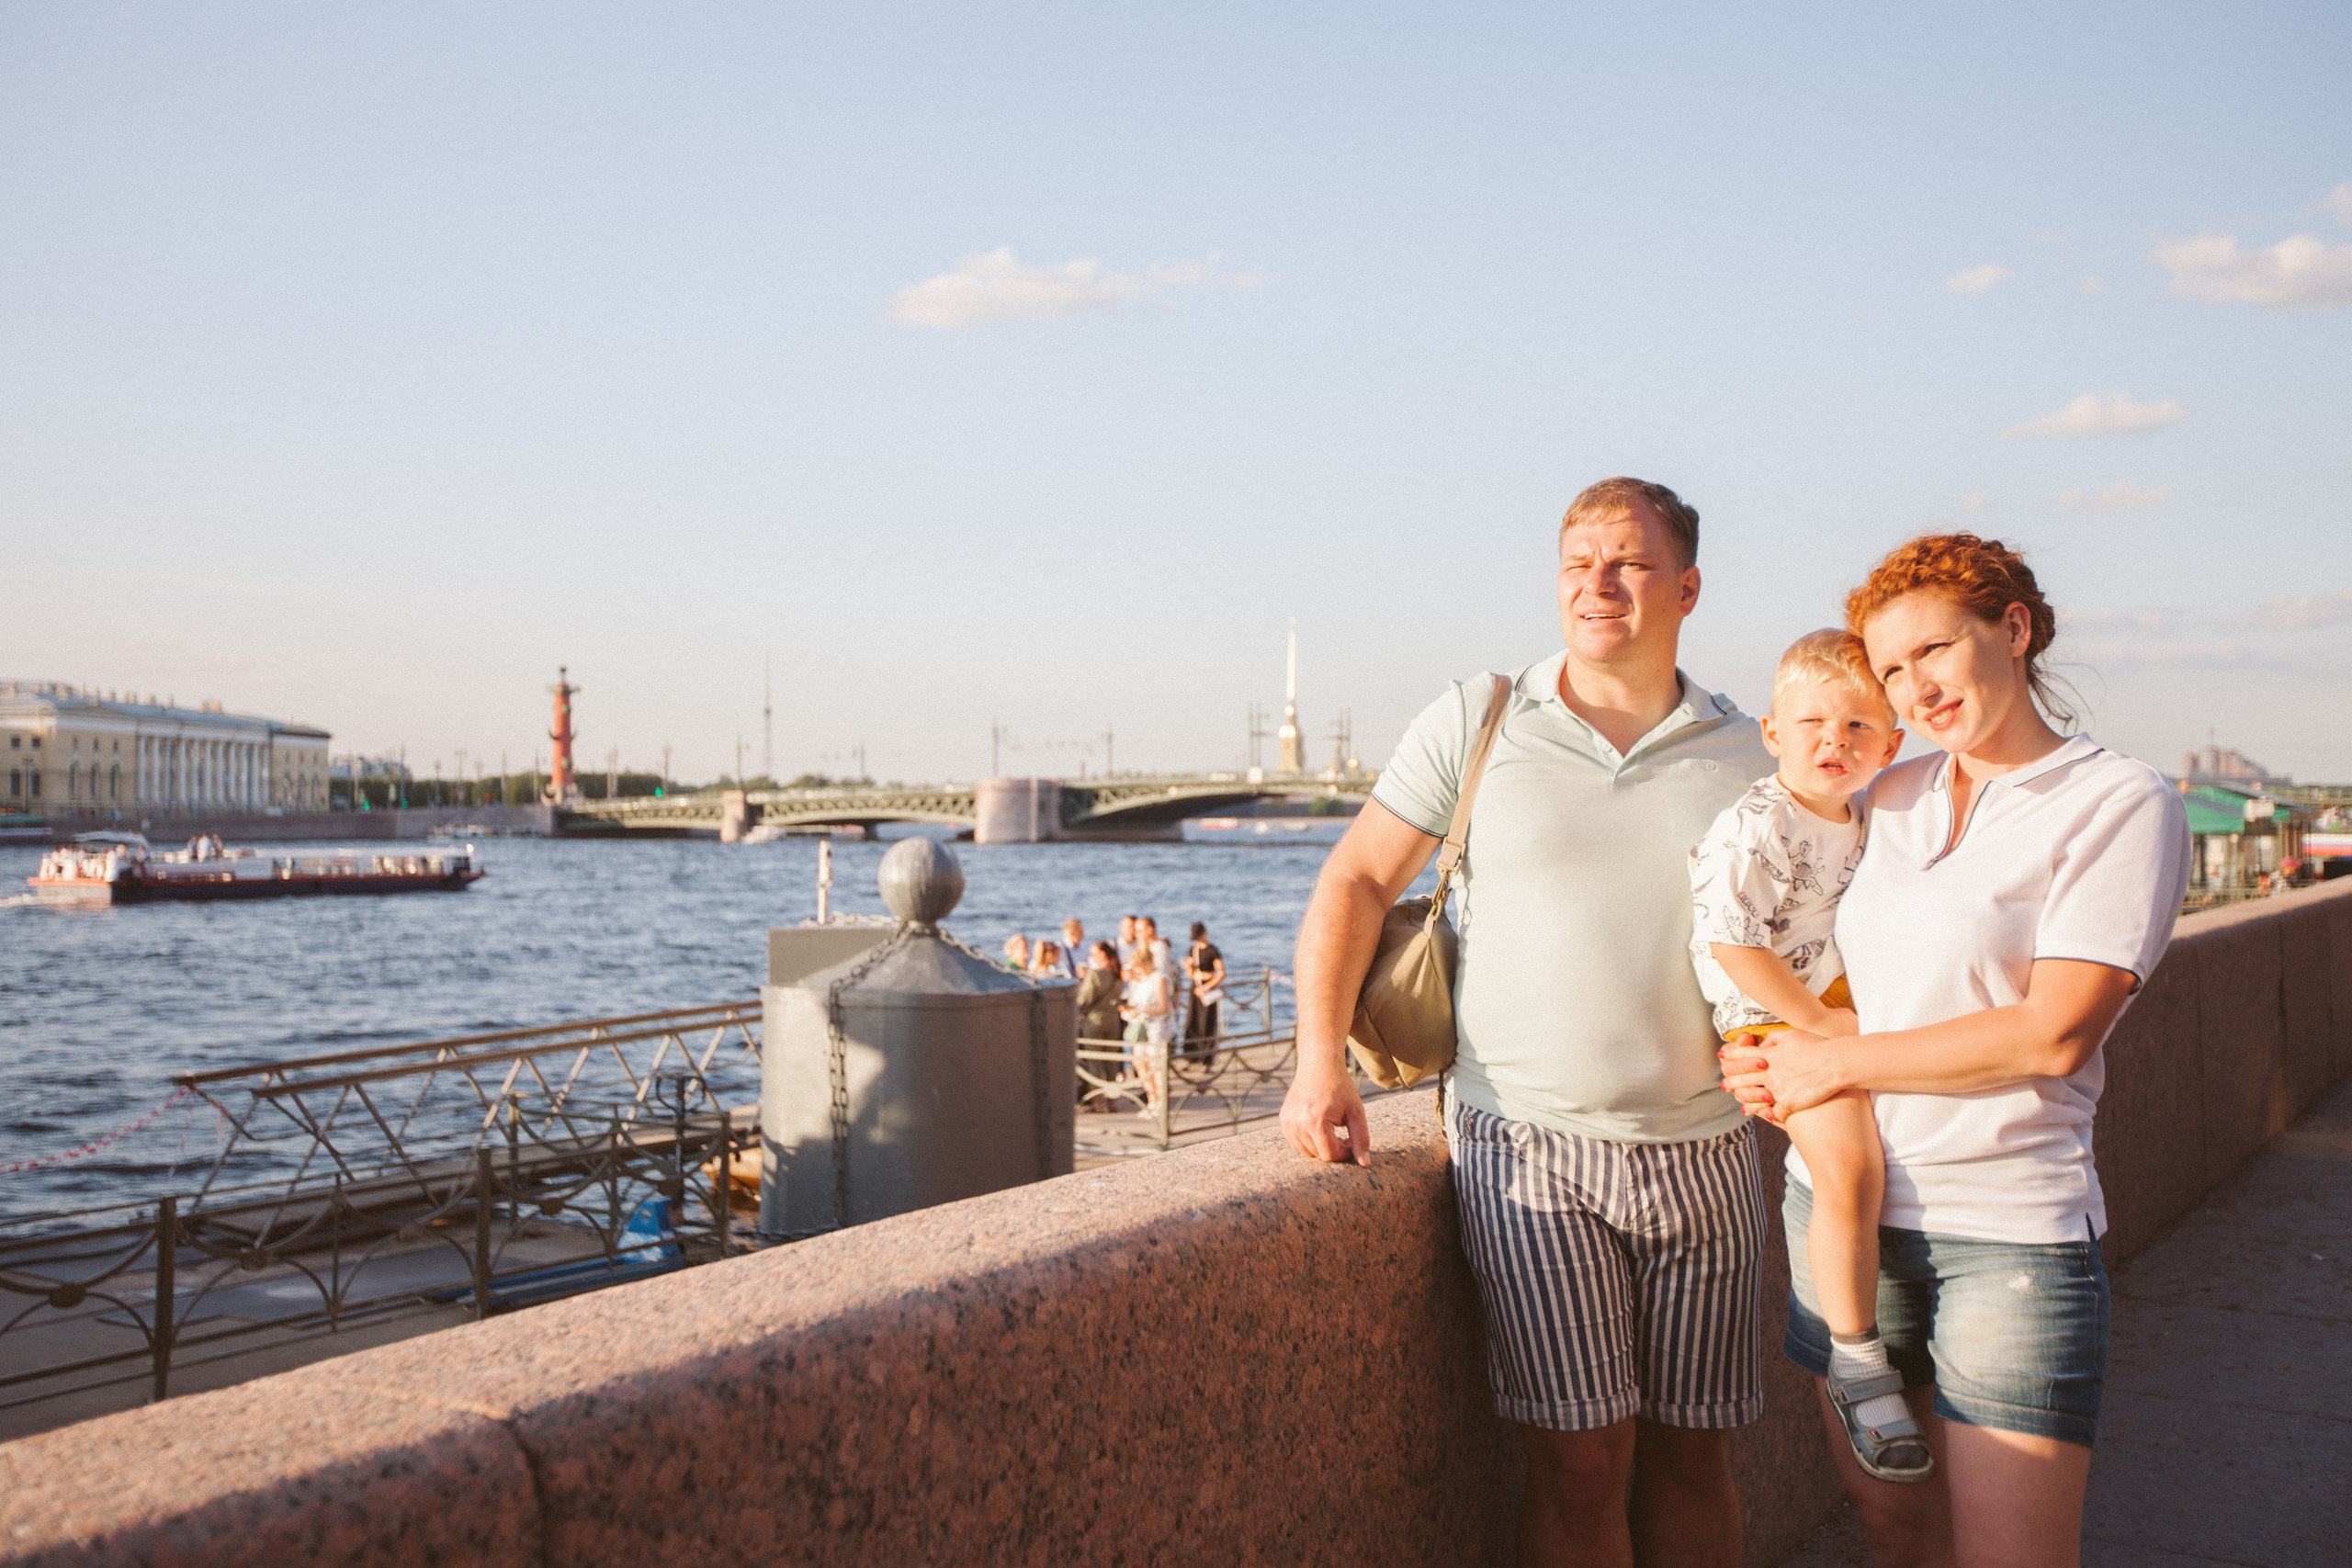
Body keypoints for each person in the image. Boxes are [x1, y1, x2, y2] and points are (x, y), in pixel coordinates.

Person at [1280, 477, 1775, 1567]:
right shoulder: (1482, 716)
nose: (1596, 584)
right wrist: (1321, 1064)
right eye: (1576, 564)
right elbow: (1358, 880)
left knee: (1694, 1457)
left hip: (1708, 1150)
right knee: (1582, 1460)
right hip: (1528, 1149)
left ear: (1686, 587)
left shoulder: (1754, 753)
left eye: (1628, 563)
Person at [1721, 535, 2189, 1568]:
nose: (1913, 686)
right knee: (1894, 1529)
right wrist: (1765, 1048)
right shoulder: (1885, 794)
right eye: (1890, 669)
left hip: (2007, 1231)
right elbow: (1791, 938)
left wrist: (1835, 1064)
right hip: (1843, 1214)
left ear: (2012, 629)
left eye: (1933, 650)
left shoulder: (2118, 803)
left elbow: (2053, 1032)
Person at [1688, 629, 1915, 1482]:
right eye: (1814, 721)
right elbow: (1732, 946)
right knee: (1849, 1164)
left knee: (1870, 1165)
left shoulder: (1864, 813)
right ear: (1773, 731)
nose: (1836, 740)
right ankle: (1857, 1359)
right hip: (1775, 1020)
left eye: (1860, 726)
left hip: (1839, 1014)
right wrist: (1821, 1032)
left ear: (1892, 745)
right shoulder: (1760, 822)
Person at [1117, 951, 1174, 1118]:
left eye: (1139, 968)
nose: (1137, 971)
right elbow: (1136, 1003)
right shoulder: (1140, 980)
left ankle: (1161, 1104)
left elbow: (1163, 1007)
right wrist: (1128, 1011)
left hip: (1156, 1027)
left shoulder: (1160, 978)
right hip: (1140, 1027)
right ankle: (1152, 1100)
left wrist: (1141, 1011)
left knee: (1156, 1066)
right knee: (1139, 1063)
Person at [1075, 942, 1126, 1111]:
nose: (1091, 957)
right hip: (1113, 1020)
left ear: (1102, 954)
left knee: (1094, 1061)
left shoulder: (1095, 974)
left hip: (1095, 1021)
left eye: (1094, 953)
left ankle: (1097, 1101)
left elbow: (1084, 999)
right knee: (1112, 1060)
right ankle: (1113, 1100)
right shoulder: (1117, 973)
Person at [1182, 921, 1227, 1065]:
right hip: (1195, 989)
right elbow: (1190, 974)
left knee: (1207, 1023)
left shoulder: (1212, 950)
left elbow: (1221, 973)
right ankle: (1191, 1057)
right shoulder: (1193, 950)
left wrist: (1207, 987)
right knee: (1192, 1022)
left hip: (1207, 990)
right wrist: (1188, 968)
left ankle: (1207, 1059)